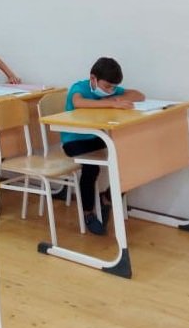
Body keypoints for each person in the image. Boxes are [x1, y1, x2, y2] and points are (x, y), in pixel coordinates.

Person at [62, 57, 145, 234]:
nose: (110, 90)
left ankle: (107, 198)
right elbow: (78, 102)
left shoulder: (110, 90)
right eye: (107, 87)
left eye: (113, 87)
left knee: (129, 158)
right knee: (91, 167)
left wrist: (117, 97)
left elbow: (139, 95)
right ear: (93, 78)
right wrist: (112, 103)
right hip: (73, 140)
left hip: (96, 137)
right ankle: (88, 213)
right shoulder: (79, 88)